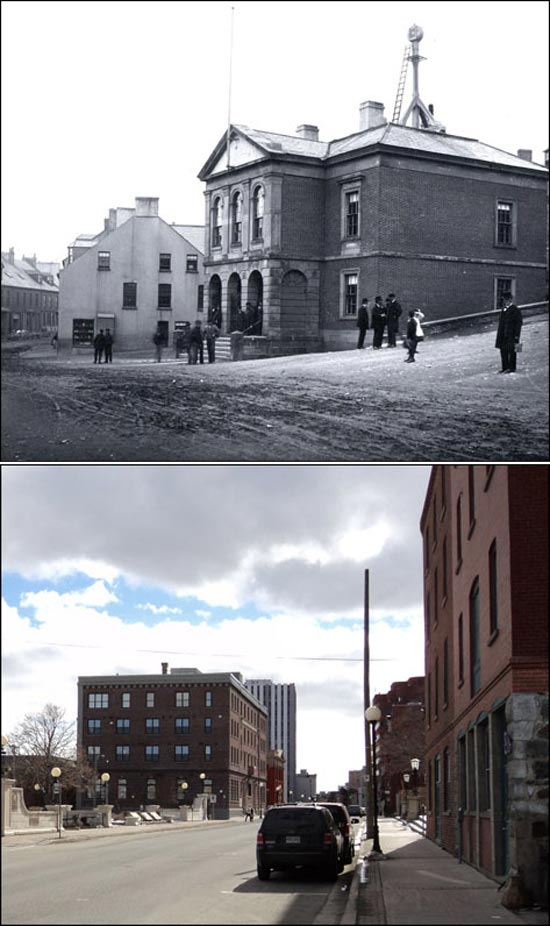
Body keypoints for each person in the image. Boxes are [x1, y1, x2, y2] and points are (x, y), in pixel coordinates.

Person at [495, 296, 523, 373]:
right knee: (503, 350)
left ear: (511, 300)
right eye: (504, 300)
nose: (505, 301)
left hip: (512, 334)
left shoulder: (515, 309)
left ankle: (512, 368)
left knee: (512, 351)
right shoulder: (503, 310)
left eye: (507, 300)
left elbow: (519, 323)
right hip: (503, 334)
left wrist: (517, 335)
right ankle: (505, 367)